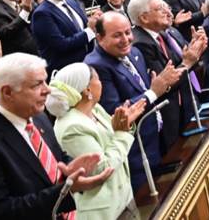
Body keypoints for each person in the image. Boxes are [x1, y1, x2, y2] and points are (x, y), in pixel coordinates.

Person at [0, 53, 114, 217]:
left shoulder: (37, 116)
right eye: (37, 84)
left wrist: (72, 168)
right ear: (8, 92)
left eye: (45, 81)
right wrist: (64, 192)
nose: (48, 90)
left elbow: (55, 158)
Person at [85, 12, 177, 190]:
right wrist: (153, 92)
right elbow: (116, 111)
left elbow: (146, 89)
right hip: (134, 151)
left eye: (128, 32)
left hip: (156, 138)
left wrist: (159, 87)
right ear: (100, 38)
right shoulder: (95, 66)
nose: (125, 39)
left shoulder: (134, 52)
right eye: (117, 35)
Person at [46, 62, 145, 220]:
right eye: (98, 79)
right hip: (104, 212)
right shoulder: (71, 127)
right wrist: (122, 133)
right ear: (87, 90)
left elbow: (114, 139)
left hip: (124, 198)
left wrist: (124, 124)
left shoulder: (95, 109)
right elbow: (102, 168)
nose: (101, 83)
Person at [127, 0, 206, 151]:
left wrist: (195, 50)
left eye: (166, 7)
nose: (167, 12)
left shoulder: (164, 34)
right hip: (168, 114)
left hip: (186, 104)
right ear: (144, 18)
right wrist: (188, 62)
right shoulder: (140, 43)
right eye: (160, 9)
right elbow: (165, 84)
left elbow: (184, 62)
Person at [31, 0, 102, 73]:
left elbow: (84, 29)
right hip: (66, 70)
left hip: (88, 63)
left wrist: (95, 21)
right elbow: (61, 45)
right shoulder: (42, 13)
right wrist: (90, 30)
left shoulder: (71, 2)